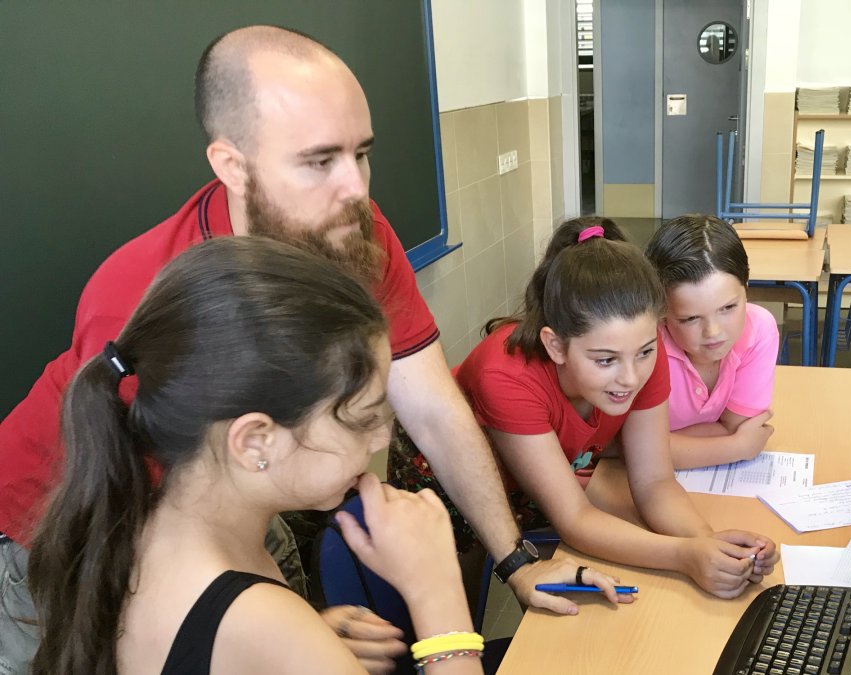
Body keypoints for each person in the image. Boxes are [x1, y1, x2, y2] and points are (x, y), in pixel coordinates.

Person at [0, 25, 571, 673]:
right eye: (320, 160)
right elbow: (151, 591)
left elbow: (433, 407)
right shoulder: (142, 302)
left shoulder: (349, 228)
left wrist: (514, 557)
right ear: (232, 165)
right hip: (63, 538)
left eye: (363, 153)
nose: (355, 188)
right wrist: (276, 636)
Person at [27, 237, 621, 675]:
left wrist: (313, 635)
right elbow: (252, 637)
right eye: (362, 420)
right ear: (256, 441)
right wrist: (438, 595)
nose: (382, 440)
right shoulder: (257, 620)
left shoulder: (155, 530)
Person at [449, 217, 780, 599]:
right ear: (555, 346)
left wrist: (712, 547)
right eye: (605, 360)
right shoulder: (506, 374)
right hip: (457, 492)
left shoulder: (637, 352)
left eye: (645, 352)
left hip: (554, 479)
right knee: (455, 610)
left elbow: (654, 481)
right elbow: (574, 518)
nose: (630, 378)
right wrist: (685, 555)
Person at [643, 215, 778, 469]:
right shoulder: (644, 345)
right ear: (662, 311)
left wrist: (662, 444)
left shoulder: (758, 329)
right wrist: (737, 446)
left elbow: (738, 425)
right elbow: (629, 448)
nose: (713, 332)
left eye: (728, 307)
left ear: (746, 286)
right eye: (690, 318)